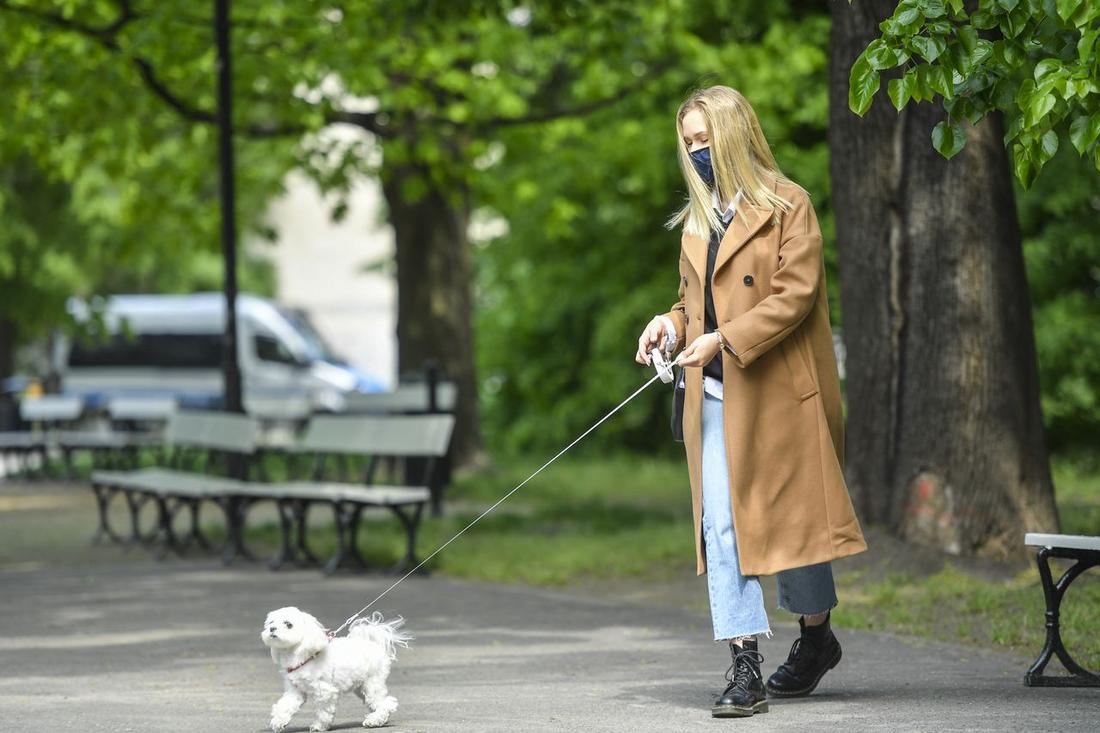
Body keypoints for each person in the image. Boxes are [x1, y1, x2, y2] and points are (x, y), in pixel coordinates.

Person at [635, 85, 868, 719]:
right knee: (723, 525)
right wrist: (670, 324)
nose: (696, 151)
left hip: (778, 395)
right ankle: (745, 666)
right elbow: (693, 303)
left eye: (704, 139)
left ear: (735, 135)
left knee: (795, 529)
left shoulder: (790, 205)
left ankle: (816, 636)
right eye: (688, 143)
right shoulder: (698, 218)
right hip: (713, 394)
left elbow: (793, 297)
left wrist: (722, 338)